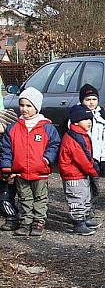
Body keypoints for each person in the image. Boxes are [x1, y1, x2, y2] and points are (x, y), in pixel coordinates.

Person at [0, 87, 60, 238]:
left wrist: (46, 159)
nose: (24, 109)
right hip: (20, 171)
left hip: (39, 171)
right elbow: (6, 148)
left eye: (28, 106)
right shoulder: (13, 127)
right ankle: (26, 221)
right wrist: (7, 165)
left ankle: (38, 221)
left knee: (40, 197)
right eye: (22, 105)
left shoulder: (46, 127)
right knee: (24, 198)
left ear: (36, 107)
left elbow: (54, 144)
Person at [59, 105, 100, 236]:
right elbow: (81, 159)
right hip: (73, 176)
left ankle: (85, 218)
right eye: (85, 119)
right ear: (76, 121)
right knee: (77, 198)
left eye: (90, 119)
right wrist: (92, 170)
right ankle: (78, 222)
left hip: (81, 175)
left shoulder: (80, 135)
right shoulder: (73, 138)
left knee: (85, 197)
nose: (89, 122)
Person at [77, 84, 105, 227]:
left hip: (95, 159)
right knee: (82, 189)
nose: (91, 102)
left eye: (94, 99)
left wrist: (104, 159)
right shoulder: (77, 118)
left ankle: (90, 211)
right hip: (82, 160)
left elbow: (104, 142)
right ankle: (82, 214)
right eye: (87, 99)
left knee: (95, 187)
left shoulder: (101, 120)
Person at [0, 106, 19, 231]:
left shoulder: (7, 142)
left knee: (5, 198)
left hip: (7, 174)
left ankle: (12, 217)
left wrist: (11, 172)